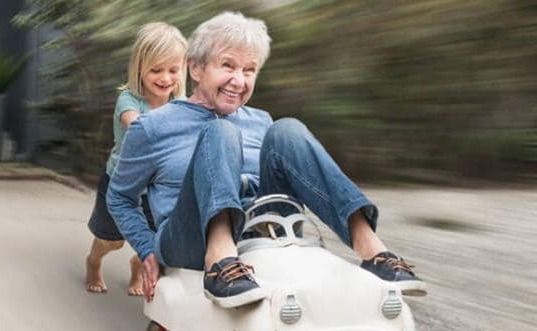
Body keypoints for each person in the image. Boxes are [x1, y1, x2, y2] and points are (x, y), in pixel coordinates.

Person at [109, 12, 426, 308]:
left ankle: (375, 253)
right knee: (220, 132)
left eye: (249, 70)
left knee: (288, 129)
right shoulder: (151, 127)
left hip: (264, 226)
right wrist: (147, 249)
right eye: (228, 66)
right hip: (189, 239)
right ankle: (221, 261)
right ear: (196, 68)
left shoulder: (261, 121)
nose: (239, 80)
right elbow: (120, 197)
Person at [85, 22, 187, 294]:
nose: (165, 78)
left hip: (156, 187)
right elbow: (137, 126)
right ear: (139, 68)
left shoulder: (180, 104)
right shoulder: (129, 100)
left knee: (152, 241)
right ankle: (94, 261)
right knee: (112, 240)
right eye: (156, 70)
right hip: (120, 183)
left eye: (173, 70)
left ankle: (138, 266)